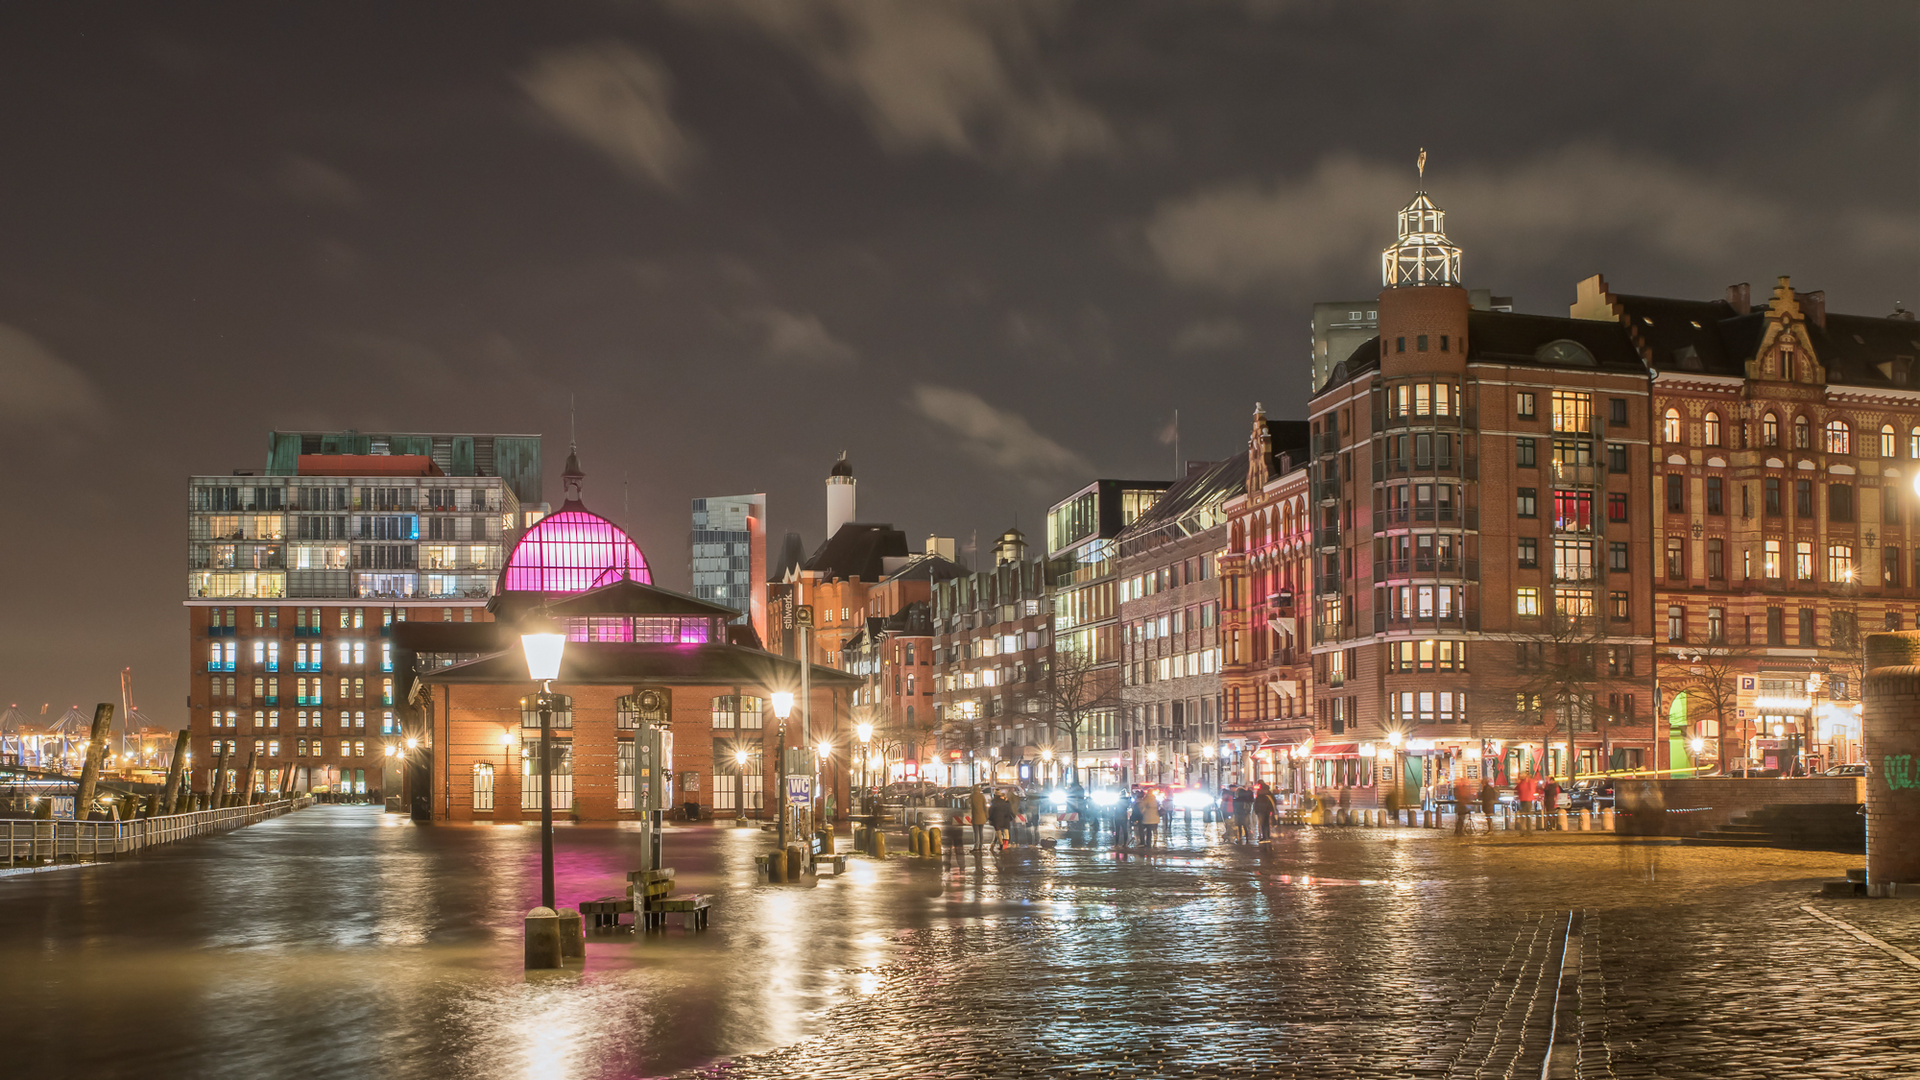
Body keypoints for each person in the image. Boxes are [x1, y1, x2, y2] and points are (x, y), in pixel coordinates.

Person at [969, 784, 988, 853]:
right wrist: (987, 816)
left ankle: (976, 846)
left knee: (976, 832)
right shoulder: (982, 796)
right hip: (982, 817)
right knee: (981, 832)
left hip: (975, 817)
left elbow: (969, 804)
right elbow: (985, 807)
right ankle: (980, 846)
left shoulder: (972, 796)